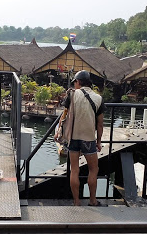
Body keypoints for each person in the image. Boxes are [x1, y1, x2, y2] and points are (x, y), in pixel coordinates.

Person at [57, 70, 104, 206]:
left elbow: (64, 115)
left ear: (78, 82)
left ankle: (76, 202)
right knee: (93, 170)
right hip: (89, 139)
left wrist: (58, 131)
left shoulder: (71, 94)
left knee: (75, 170)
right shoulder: (98, 98)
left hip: (73, 138)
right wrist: (99, 142)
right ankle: (92, 201)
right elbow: (100, 125)